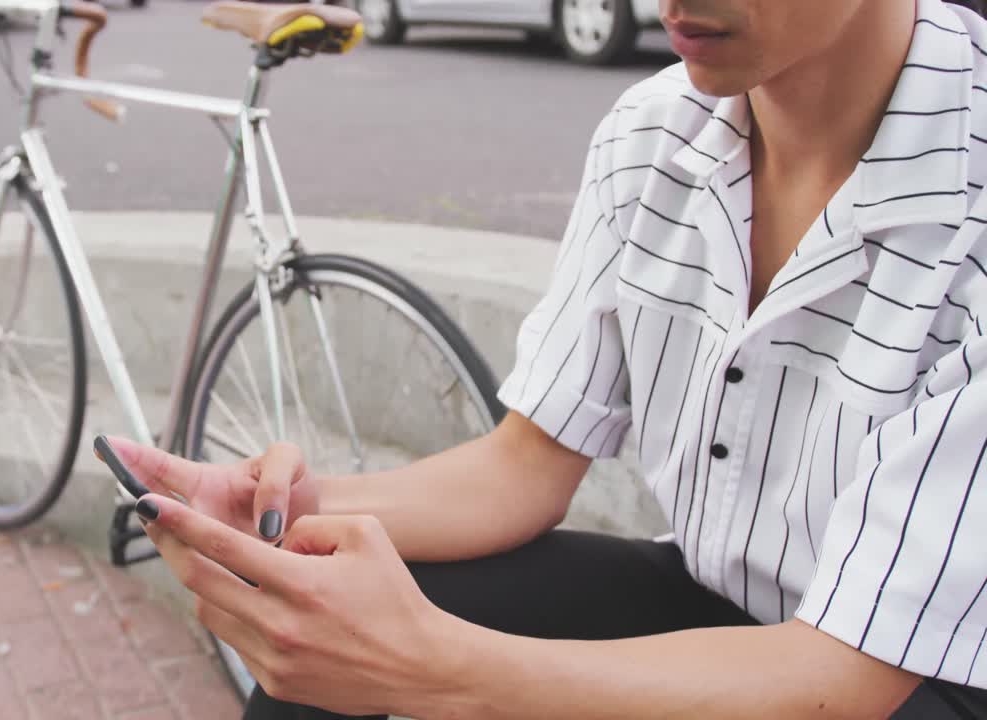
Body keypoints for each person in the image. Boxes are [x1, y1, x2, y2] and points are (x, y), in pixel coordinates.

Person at [112, 0, 987, 716]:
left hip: (916, 677)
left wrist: (437, 668)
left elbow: (850, 679)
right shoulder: (652, 134)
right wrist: (286, 514)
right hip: (715, 598)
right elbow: (526, 465)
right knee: (313, 647)